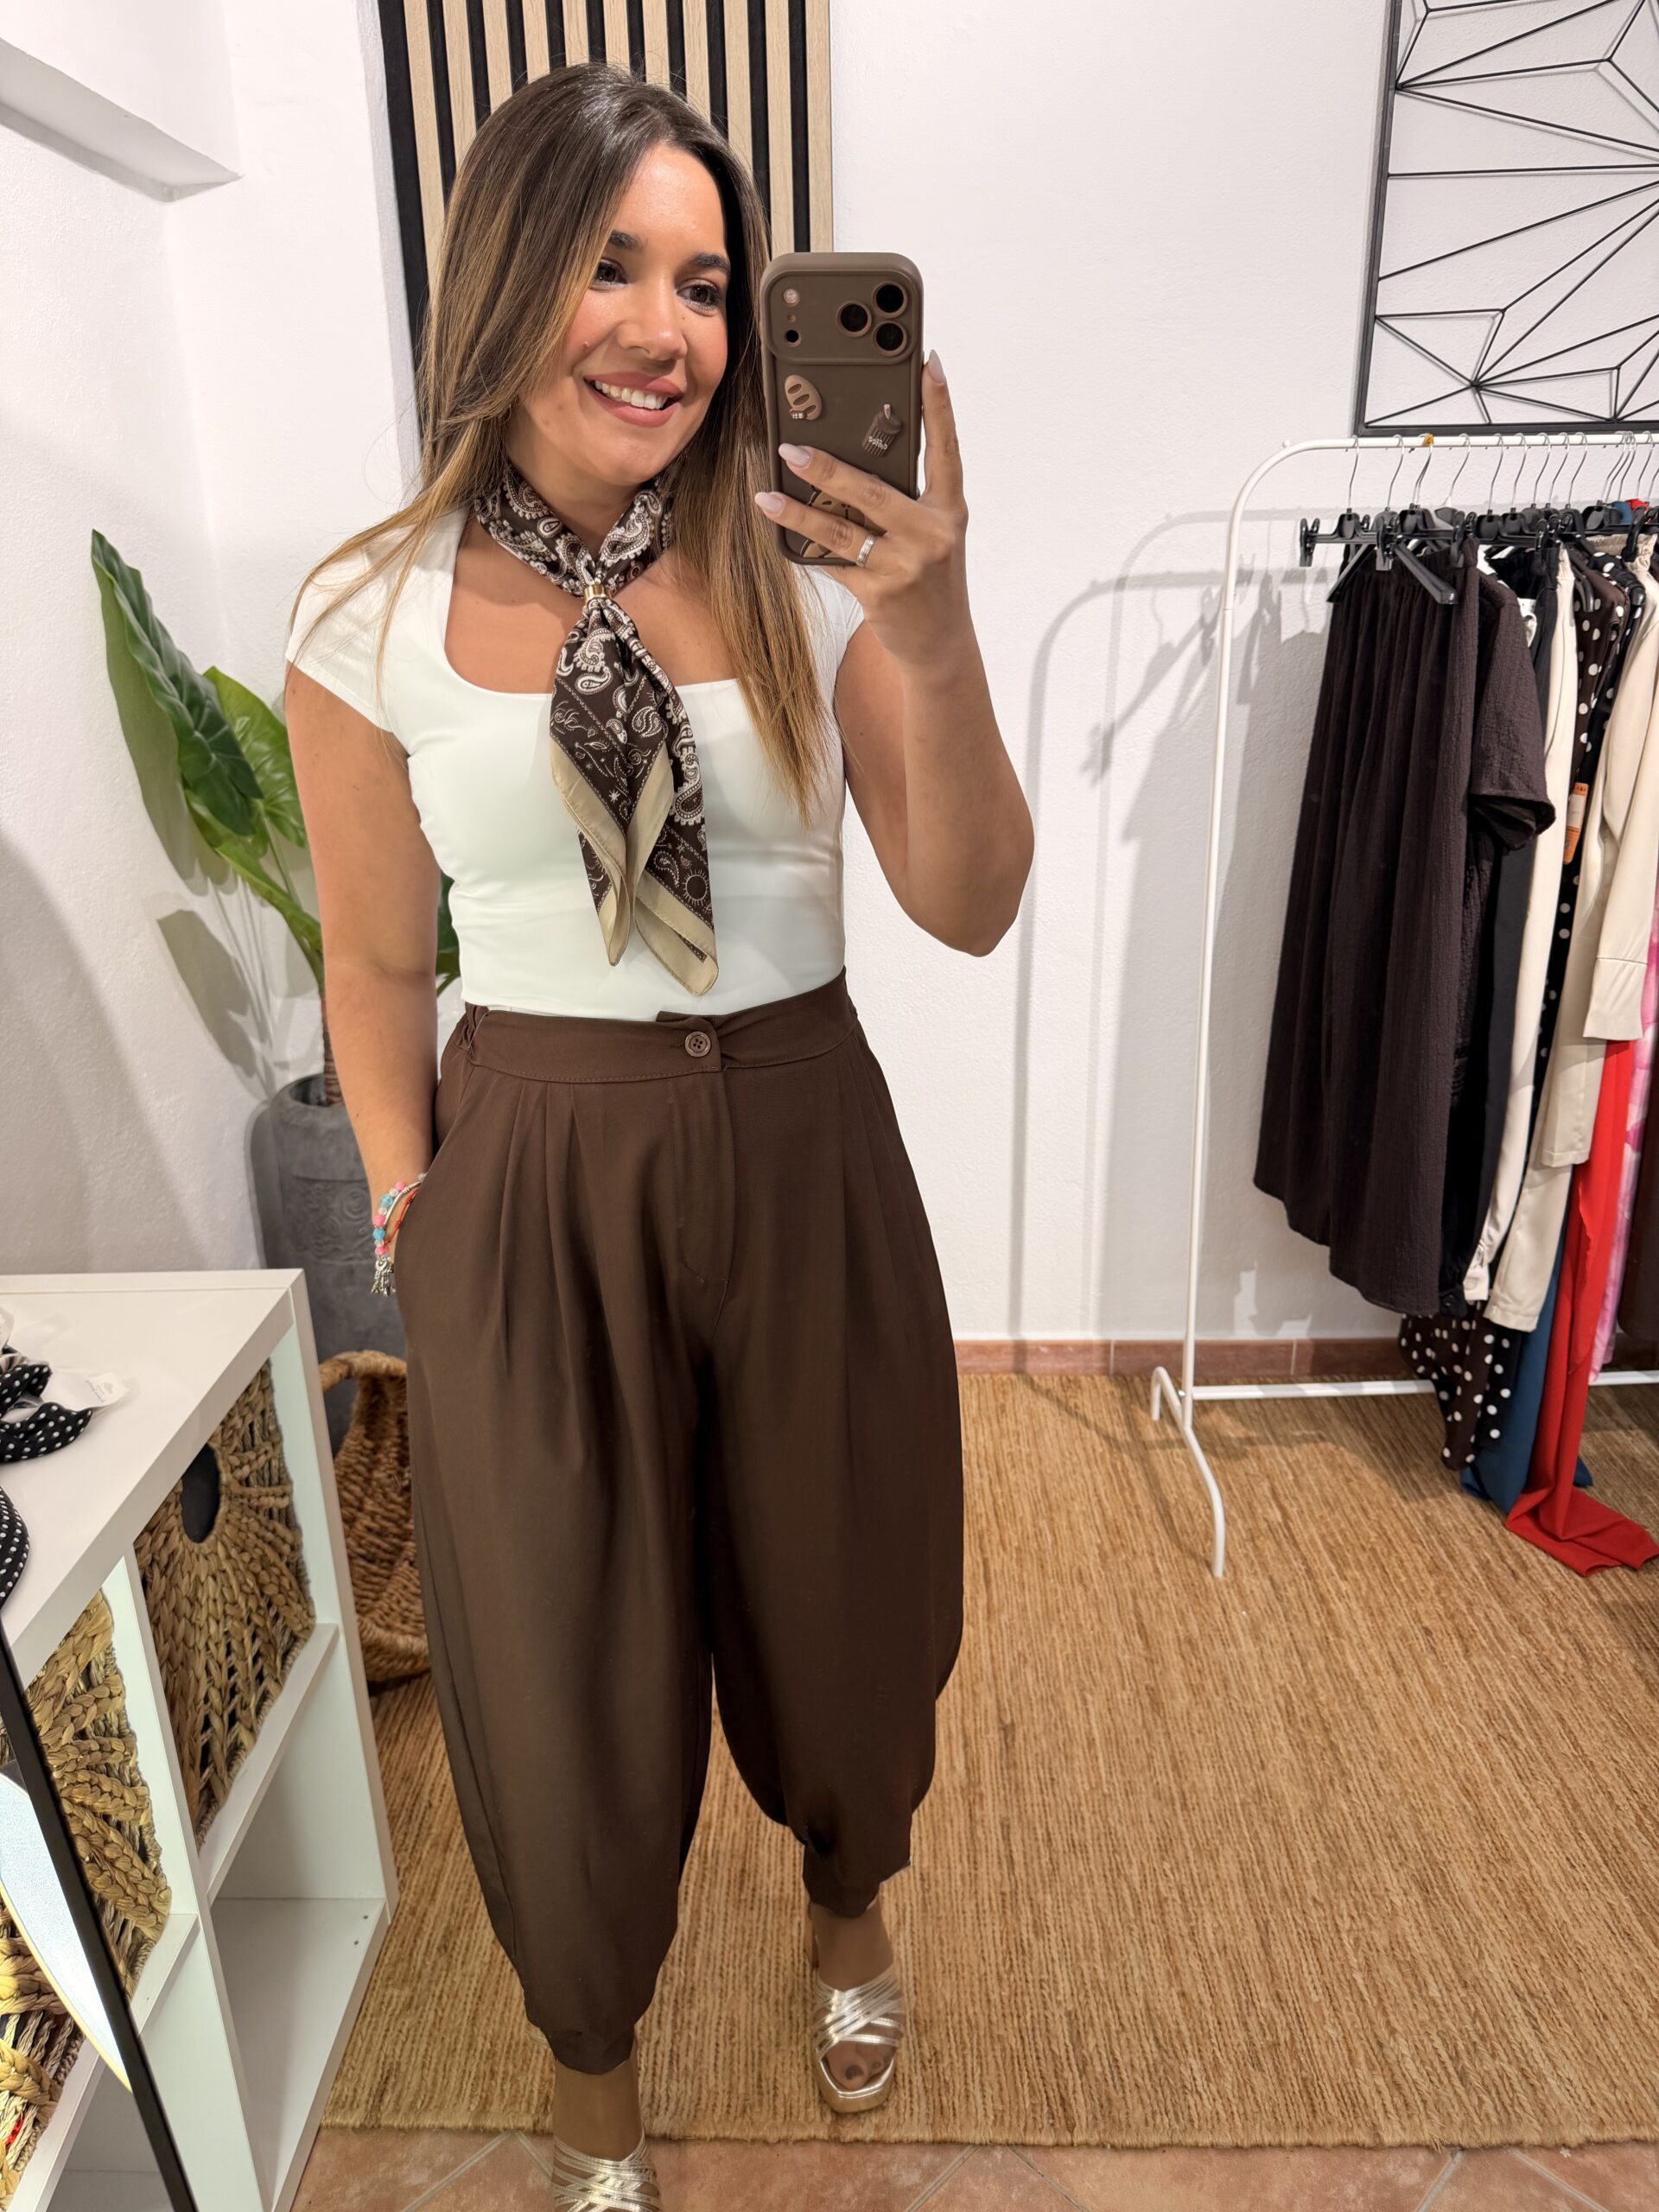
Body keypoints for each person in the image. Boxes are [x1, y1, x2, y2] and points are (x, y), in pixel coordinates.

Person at [283, 60, 1030, 2211]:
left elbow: (972, 900)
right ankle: (593, 2072)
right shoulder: (367, 612)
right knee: (556, 1657)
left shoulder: (808, 563)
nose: (665, 329)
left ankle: (847, 1896)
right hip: (534, 1165)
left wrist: (932, 623)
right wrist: (413, 1209)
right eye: (610, 265)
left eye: (707, 284)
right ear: (507, 272)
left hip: (804, 1141)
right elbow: (373, 963)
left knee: (846, 1581)